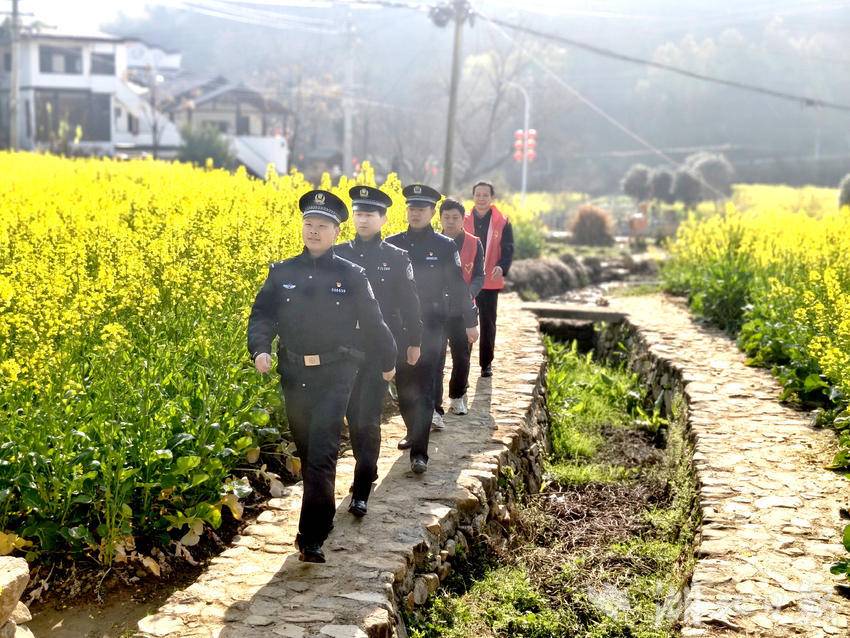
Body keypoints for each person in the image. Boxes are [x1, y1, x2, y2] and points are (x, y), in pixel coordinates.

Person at [247, 189, 396, 563]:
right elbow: (261, 315)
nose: (313, 231)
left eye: (322, 226)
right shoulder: (283, 272)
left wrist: (388, 359)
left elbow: (375, 322)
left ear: (335, 232)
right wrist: (260, 348)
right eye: (308, 224)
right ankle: (323, 516)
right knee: (309, 449)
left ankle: (311, 536)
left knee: (323, 452)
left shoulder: (351, 274)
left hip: (337, 372)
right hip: (295, 373)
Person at [335, 185, 422, 517]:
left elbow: (410, 304)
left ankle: (361, 491)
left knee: (367, 417)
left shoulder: (396, 258)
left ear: (383, 218)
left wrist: (413, 341)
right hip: (342, 349)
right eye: (358, 213)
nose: (363, 219)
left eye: (369, 214)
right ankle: (366, 469)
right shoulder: (338, 253)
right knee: (351, 417)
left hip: (378, 348)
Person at [386, 184, 478, 473]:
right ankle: (413, 430)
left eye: (422, 209)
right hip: (399, 327)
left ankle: (420, 452)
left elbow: (458, 286)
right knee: (404, 385)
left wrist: (470, 319)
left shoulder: (443, 246)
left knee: (425, 386)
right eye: (412, 208)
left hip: (432, 325)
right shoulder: (391, 243)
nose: (415, 213)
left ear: (431, 213)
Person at [436, 198, 484, 417]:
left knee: (462, 355)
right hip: (435, 308)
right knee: (435, 358)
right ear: (440, 218)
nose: (451, 222)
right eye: (447, 217)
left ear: (463, 219)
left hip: (463, 308)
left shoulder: (474, 243)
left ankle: (457, 397)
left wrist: (469, 292)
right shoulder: (432, 242)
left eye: (455, 218)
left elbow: (479, 275)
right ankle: (434, 404)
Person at [465, 181, 514, 378]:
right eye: (478, 194)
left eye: (486, 195)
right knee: (465, 321)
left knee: (488, 323)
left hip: (490, 280)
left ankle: (486, 363)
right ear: (473, 196)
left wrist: (502, 266)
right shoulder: (463, 218)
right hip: (467, 279)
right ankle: (464, 361)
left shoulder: (502, 221)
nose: (481, 198)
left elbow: (508, 247)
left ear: (492, 198)